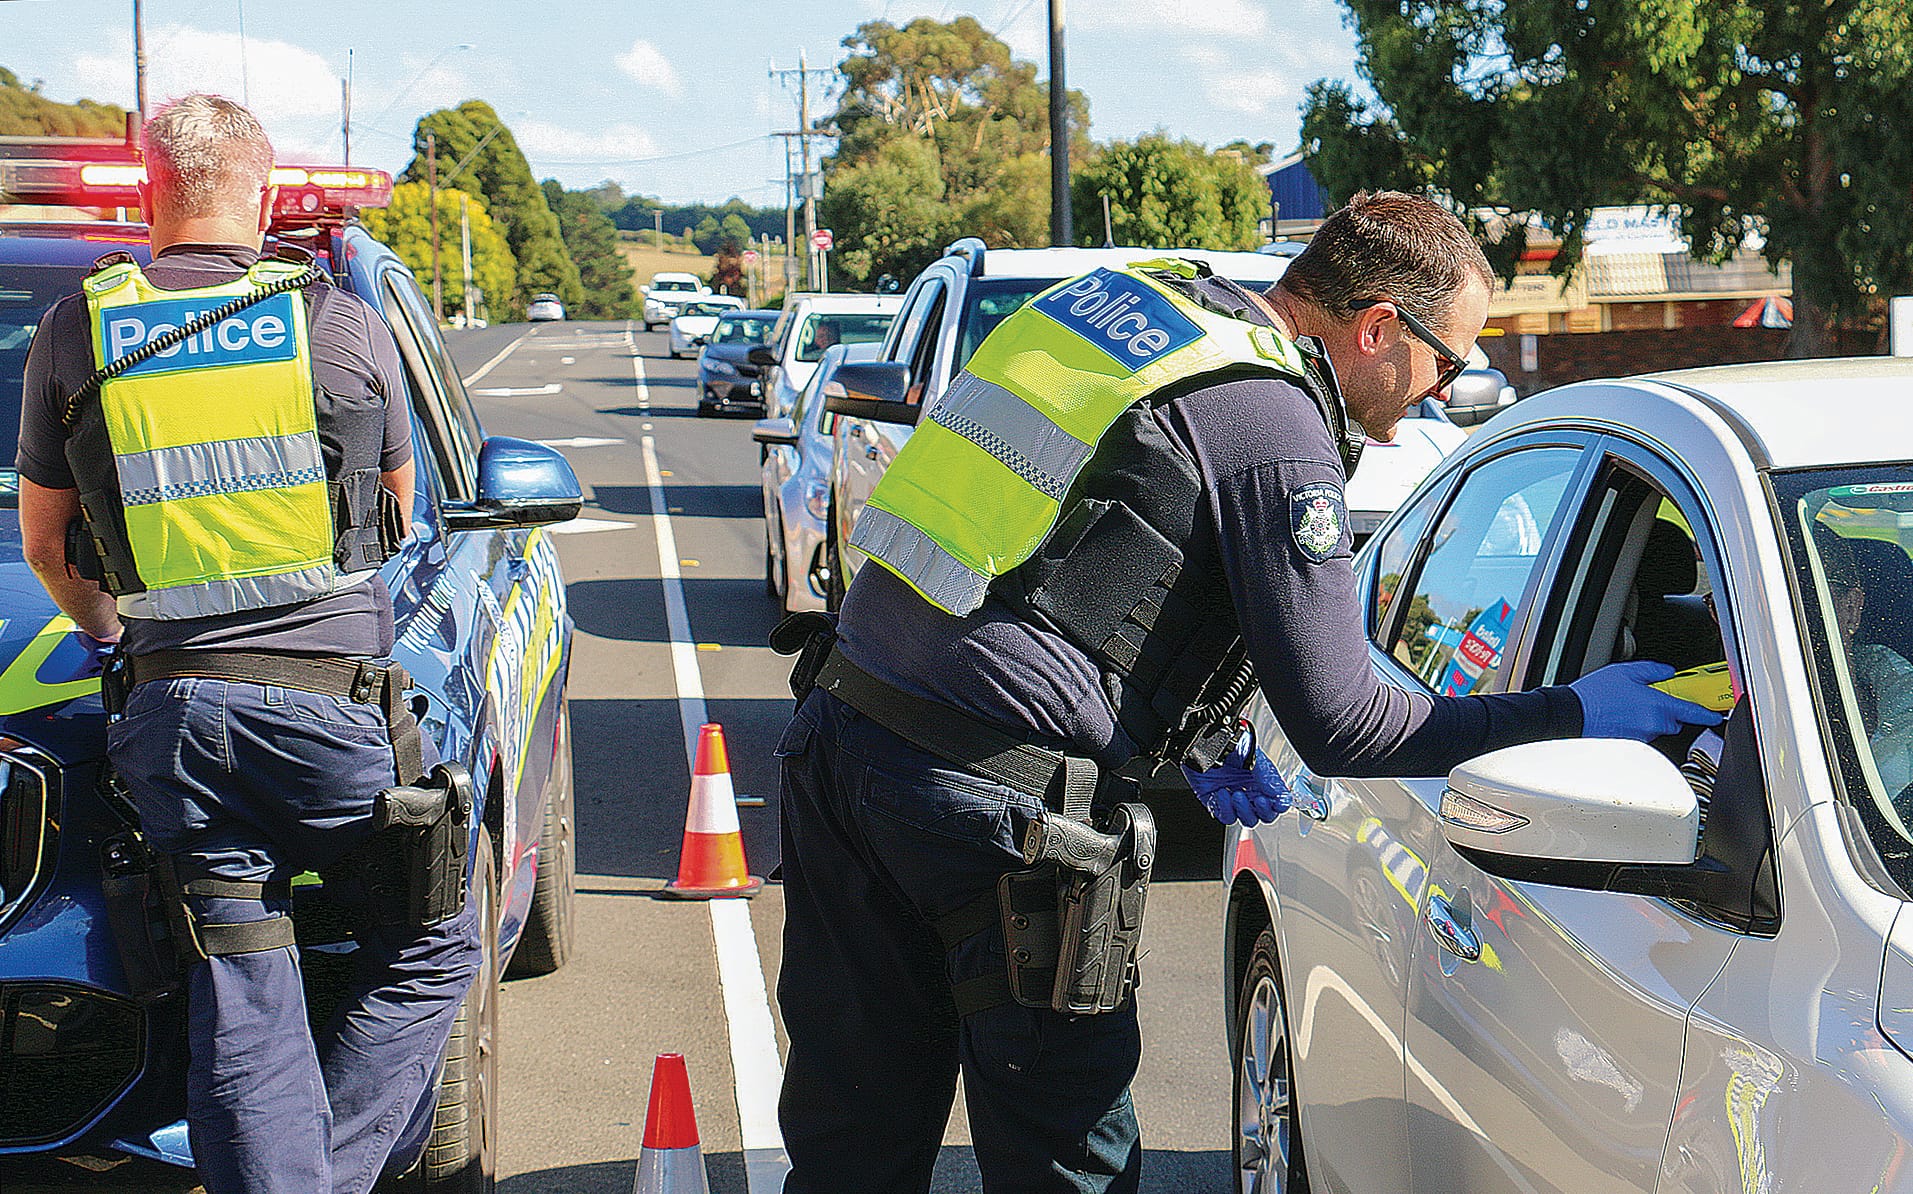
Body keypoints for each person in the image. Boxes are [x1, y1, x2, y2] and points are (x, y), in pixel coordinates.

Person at [771, 191, 1720, 1192]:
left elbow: (1084, 544)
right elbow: (1342, 720)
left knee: (852, 1138)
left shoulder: (1139, 312)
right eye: (1446, 362)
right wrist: (1578, 711)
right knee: (1062, 1157)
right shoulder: (1272, 419)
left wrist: (1198, 732)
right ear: (1374, 329)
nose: (1440, 393)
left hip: (841, 733)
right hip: (990, 813)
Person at [16, 94, 479, 1194]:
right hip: (332, 716)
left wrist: (114, 635)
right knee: (430, 945)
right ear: (262, 194)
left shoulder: (80, 327)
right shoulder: (334, 319)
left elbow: (49, 543)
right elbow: (401, 515)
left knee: (240, 977)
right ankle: (334, 1174)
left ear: (147, 193)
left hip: (172, 719)